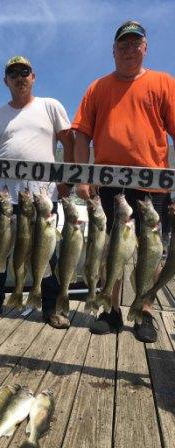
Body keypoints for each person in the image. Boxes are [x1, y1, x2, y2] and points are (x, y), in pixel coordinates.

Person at [72, 20, 175, 342]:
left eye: (136, 44)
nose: (130, 49)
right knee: (109, 251)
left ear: (145, 48)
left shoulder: (163, 82)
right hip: (109, 182)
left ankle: (144, 310)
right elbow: (81, 135)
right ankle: (110, 309)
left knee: (151, 252)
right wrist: (81, 175)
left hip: (152, 183)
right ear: (114, 50)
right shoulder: (98, 87)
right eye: (124, 44)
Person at [0, 55, 75, 328]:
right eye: (13, 74)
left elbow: (69, 141)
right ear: (6, 80)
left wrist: (68, 180)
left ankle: (50, 307)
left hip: (42, 198)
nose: (20, 78)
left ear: (33, 76)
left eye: (24, 72)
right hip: (2, 197)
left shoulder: (50, 106)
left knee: (46, 254)